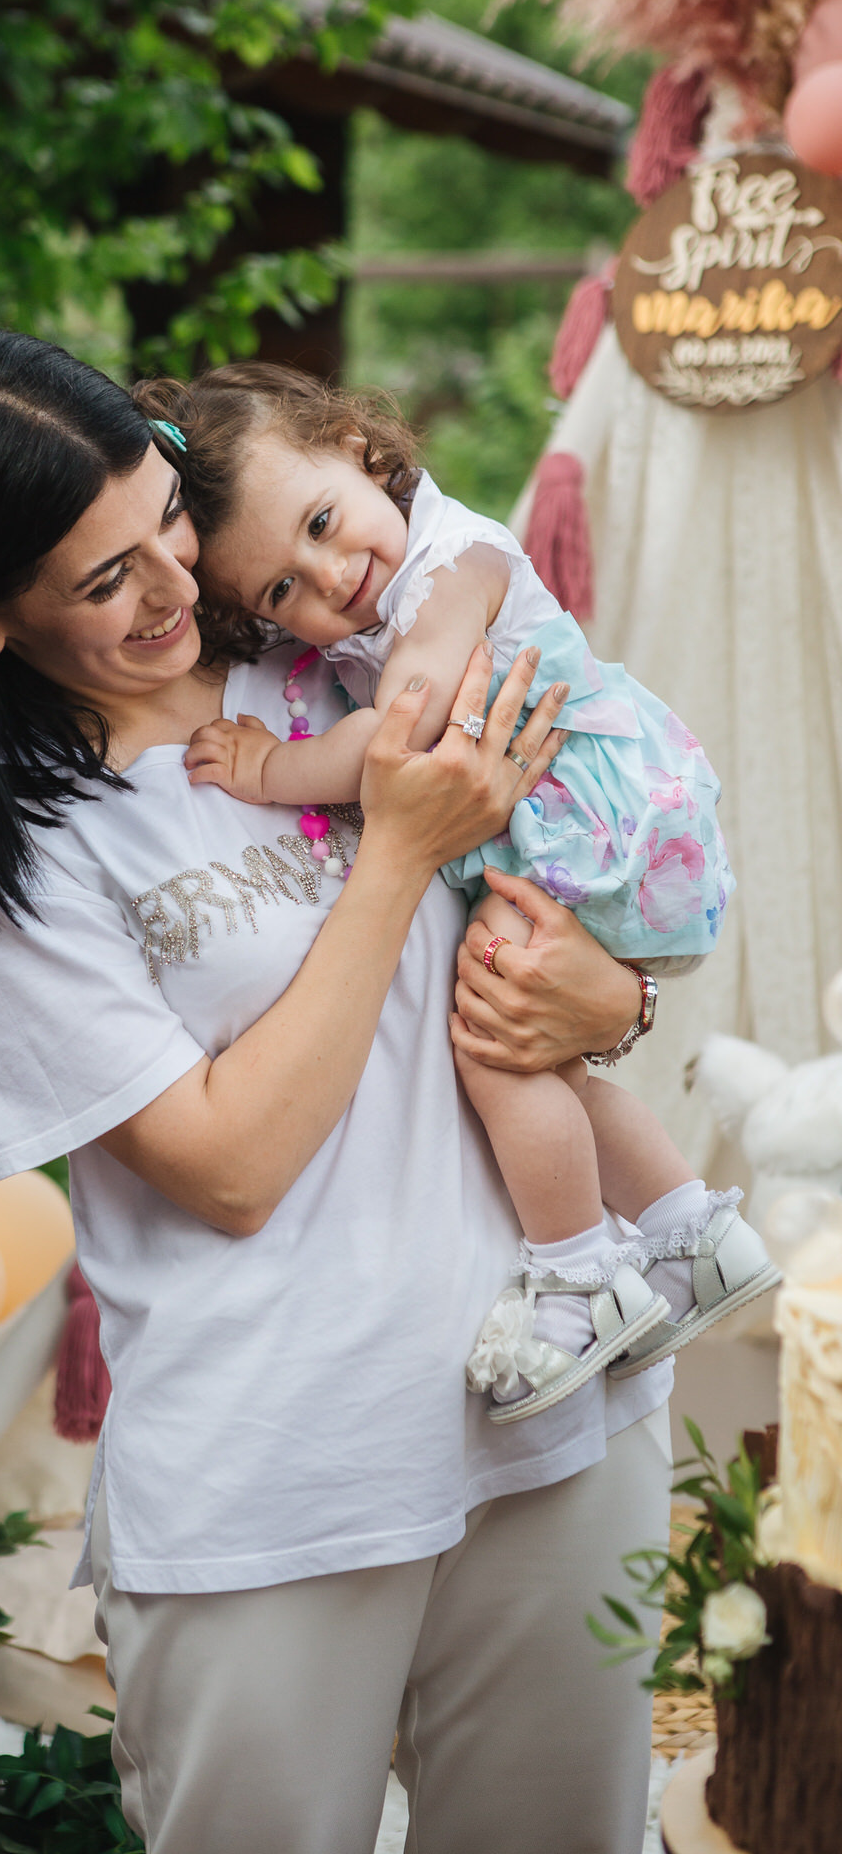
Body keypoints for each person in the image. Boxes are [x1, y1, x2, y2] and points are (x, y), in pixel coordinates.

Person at [0, 327, 680, 1854]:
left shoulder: (331, 642)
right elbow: (230, 1163)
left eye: (167, 518)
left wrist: (615, 1000)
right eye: (103, 581)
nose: (176, 587)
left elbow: (576, 884)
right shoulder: (6, 858)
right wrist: (401, 849)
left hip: (561, 1415)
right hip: (289, 1480)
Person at [146, 361, 777, 1423]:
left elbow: (405, 730)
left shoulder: (454, 557)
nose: (325, 575)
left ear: (360, 452)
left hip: (595, 830)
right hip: (562, 832)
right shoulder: (377, 595)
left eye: (320, 521)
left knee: (491, 1049)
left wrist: (268, 769)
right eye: (277, 590)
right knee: (543, 1066)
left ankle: (575, 1275)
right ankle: (691, 1235)